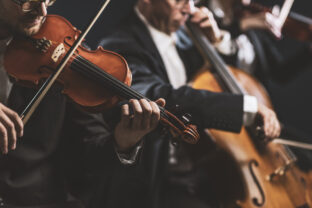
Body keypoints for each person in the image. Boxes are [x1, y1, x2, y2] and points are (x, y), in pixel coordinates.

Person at [99, 0, 281, 207]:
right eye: (179, 0)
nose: (189, 7)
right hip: (162, 181)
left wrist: (217, 39)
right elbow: (164, 97)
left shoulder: (188, 36)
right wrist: (246, 108)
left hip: (207, 172)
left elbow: (228, 80)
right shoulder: (120, 45)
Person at [0, 0, 164, 207]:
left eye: (47, 0)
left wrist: (122, 142)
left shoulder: (64, 54)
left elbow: (86, 155)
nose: (42, 11)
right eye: (27, 2)